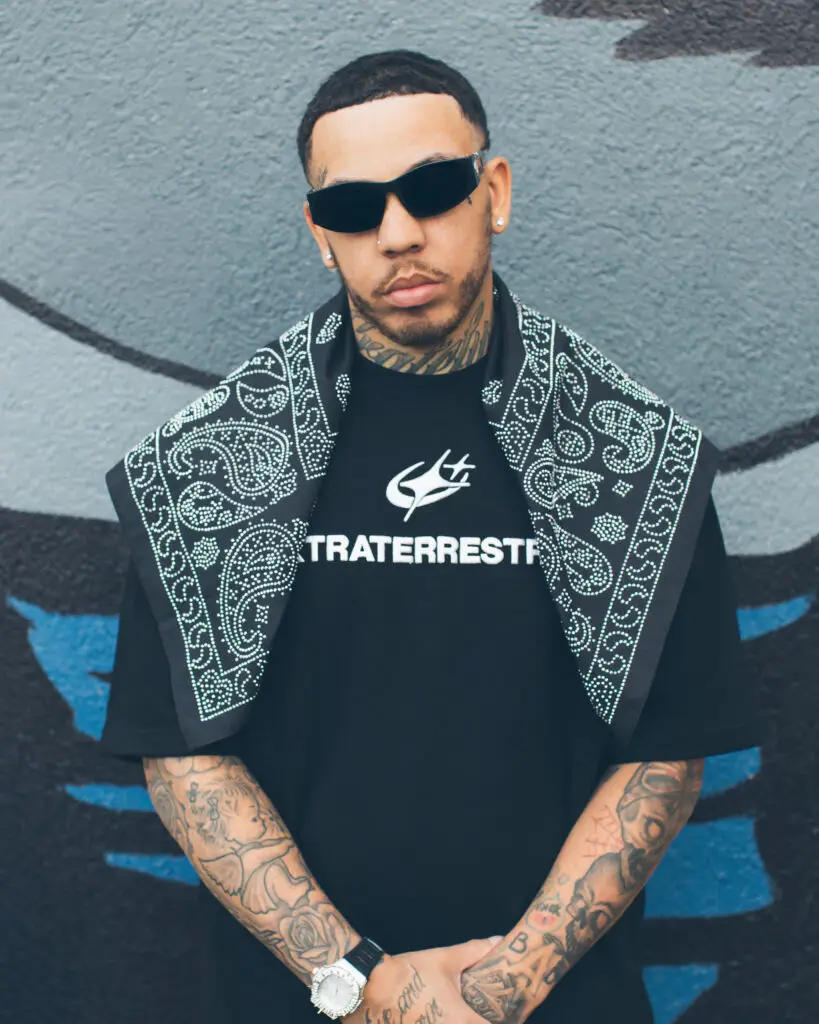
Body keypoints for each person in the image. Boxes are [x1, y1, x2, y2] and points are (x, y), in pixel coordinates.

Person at [100, 49, 760, 1024]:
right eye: (352, 207)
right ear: (320, 234)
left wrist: (504, 987)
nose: (399, 233)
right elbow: (184, 756)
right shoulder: (209, 468)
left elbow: (667, 752)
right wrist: (362, 984)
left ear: (494, 192)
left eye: (434, 188)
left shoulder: (633, 457)